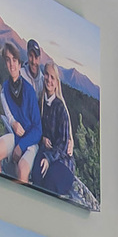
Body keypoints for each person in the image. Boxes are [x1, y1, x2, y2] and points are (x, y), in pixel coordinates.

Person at [0, 43, 39, 180]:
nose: (12, 64)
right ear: (5, 63)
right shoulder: (5, 89)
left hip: (30, 142)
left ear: (20, 63)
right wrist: (13, 123)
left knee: (22, 169)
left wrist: (21, 146)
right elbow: (10, 117)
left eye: (14, 60)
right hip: (15, 137)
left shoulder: (29, 91)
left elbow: (38, 130)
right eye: (8, 60)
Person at [36, 55, 76, 200]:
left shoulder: (60, 109)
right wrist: (42, 138)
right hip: (46, 151)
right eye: (46, 75)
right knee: (36, 174)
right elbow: (35, 127)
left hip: (62, 160)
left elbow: (64, 144)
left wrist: (48, 158)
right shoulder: (40, 101)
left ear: (57, 82)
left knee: (50, 182)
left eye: (53, 77)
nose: (49, 80)